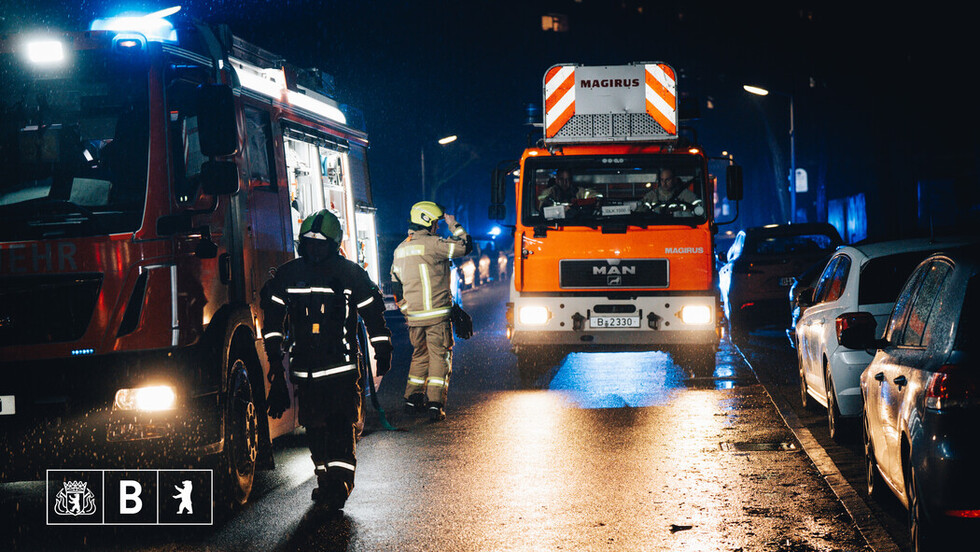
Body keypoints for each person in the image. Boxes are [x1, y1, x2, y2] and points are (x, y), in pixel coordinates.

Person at [261, 209, 392, 510]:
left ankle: (338, 487)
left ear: (333, 244)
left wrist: (382, 348)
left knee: (337, 429)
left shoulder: (342, 274)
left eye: (320, 243)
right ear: (302, 243)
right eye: (310, 243)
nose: (315, 248)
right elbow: (272, 326)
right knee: (318, 432)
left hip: (337, 374)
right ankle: (326, 481)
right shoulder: (298, 275)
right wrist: (276, 374)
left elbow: (373, 313)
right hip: (312, 374)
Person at [390, 201, 471, 421]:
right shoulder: (435, 245)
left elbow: (395, 285)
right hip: (437, 316)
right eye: (435, 223)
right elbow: (464, 246)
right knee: (439, 357)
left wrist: (407, 311)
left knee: (419, 355)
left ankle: (412, 398)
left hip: (414, 318)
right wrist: (454, 225)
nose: (437, 227)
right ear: (427, 221)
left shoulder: (400, 250)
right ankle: (435, 403)